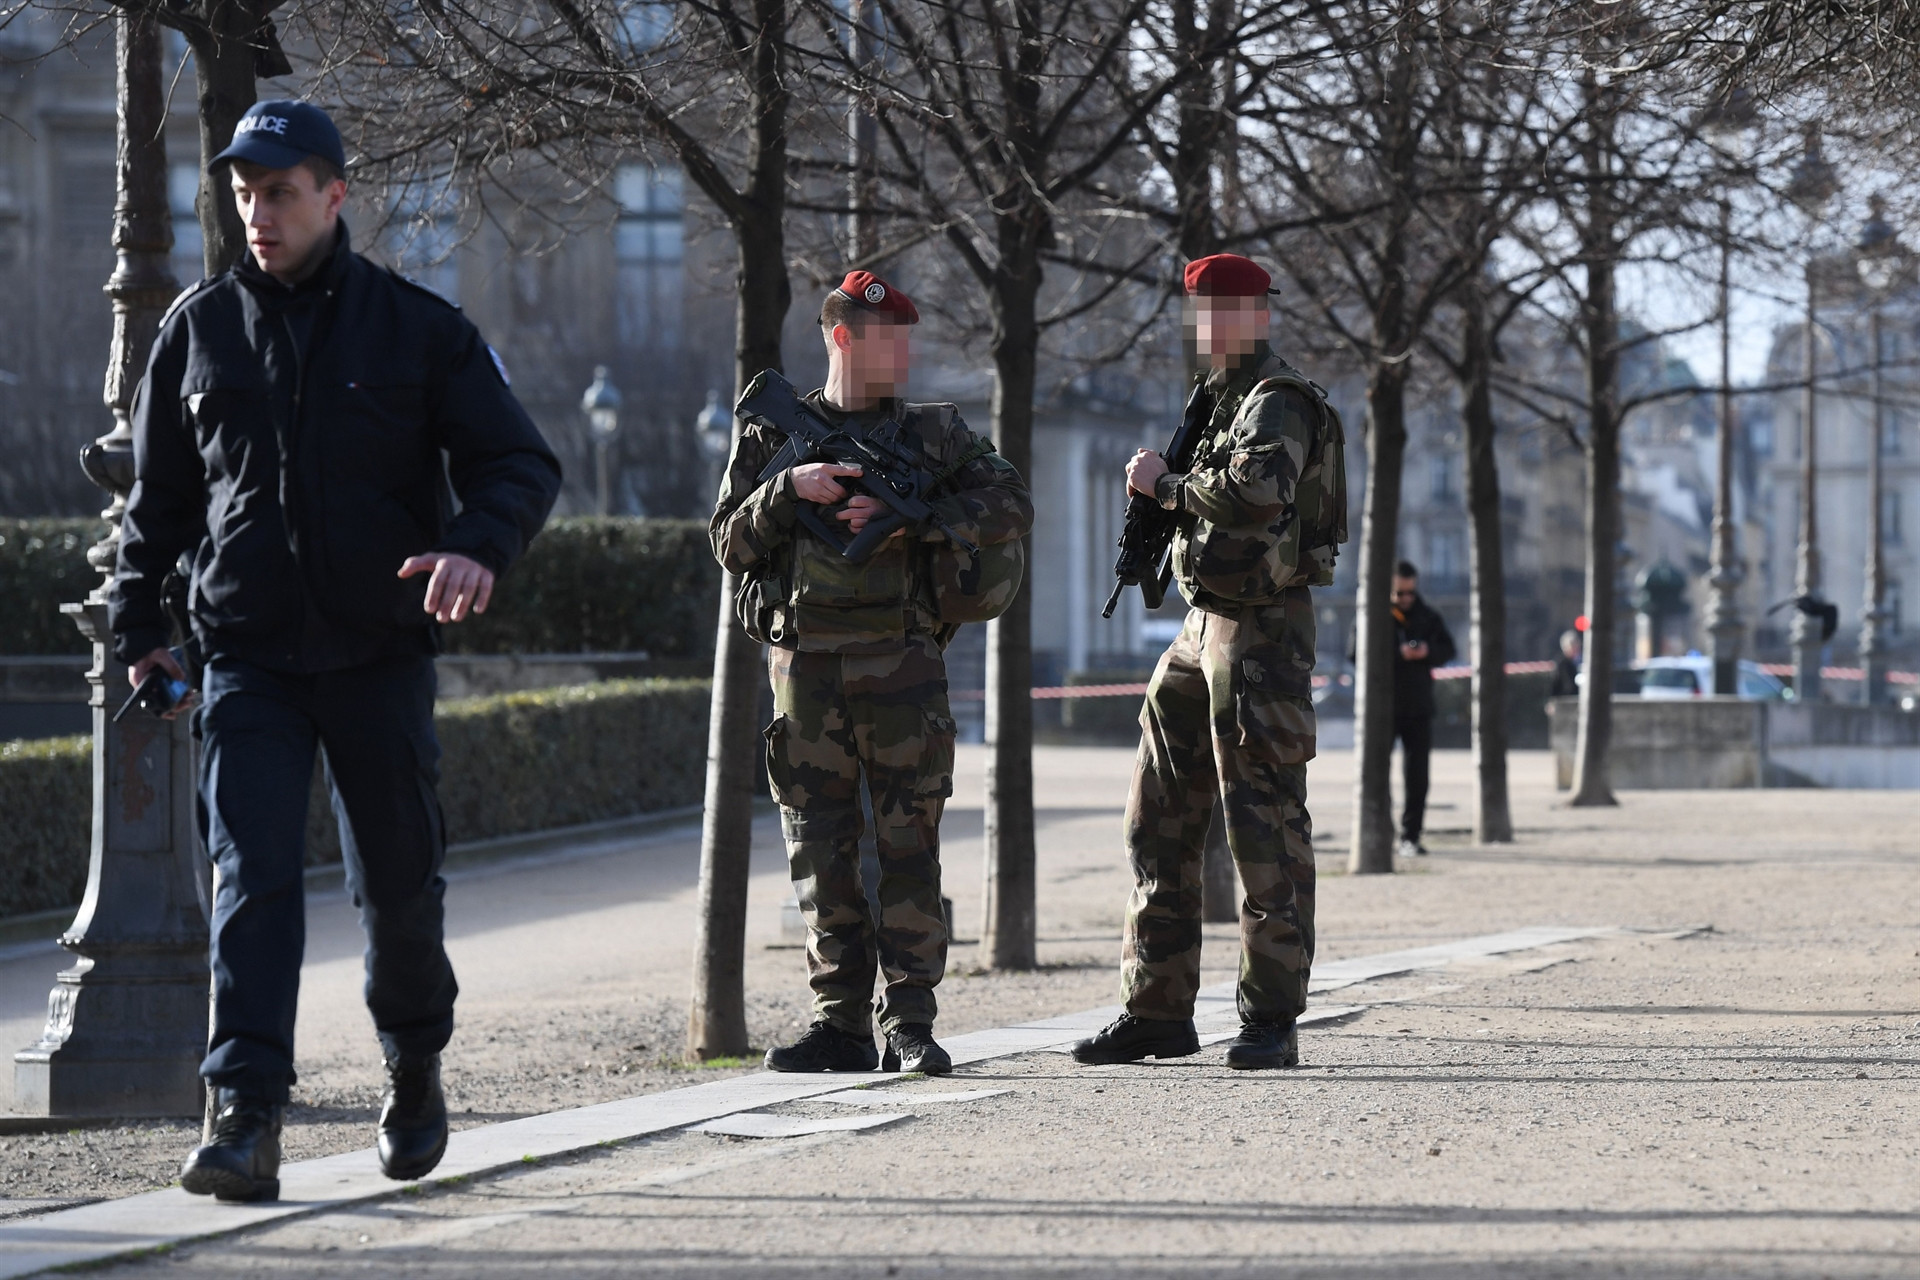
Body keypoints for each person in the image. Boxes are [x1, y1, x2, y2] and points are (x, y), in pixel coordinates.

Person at [110, 100, 561, 1202]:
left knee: (399, 889)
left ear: (334, 195)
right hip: (248, 661)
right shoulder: (200, 330)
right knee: (251, 883)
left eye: (279, 192)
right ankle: (246, 1114)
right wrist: (139, 631)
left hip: (376, 657)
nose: (256, 213)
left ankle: (413, 1065)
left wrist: (474, 548)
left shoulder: (418, 330)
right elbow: (156, 506)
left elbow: (520, 465)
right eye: (244, 192)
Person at [712, 271, 1032, 1075]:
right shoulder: (771, 436)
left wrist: (910, 524)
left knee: (908, 844)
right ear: (842, 336)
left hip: (902, 661)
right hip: (805, 670)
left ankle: (911, 1022)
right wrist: (791, 489)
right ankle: (841, 1025)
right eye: (890, 338)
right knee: (818, 848)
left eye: (909, 339)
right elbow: (727, 541)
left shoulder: (935, 432)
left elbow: (1012, 504)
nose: (907, 353)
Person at [1071, 253, 1346, 1072]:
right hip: (1202, 624)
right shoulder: (1219, 399)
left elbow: (1259, 492)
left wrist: (1165, 487)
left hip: (1263, 629)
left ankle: (1269, 1017)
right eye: (1200, 313)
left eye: (1223, 312)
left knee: (1262, 823)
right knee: (1156, 817)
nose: (1208, 328)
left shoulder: (1277, 401)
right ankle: (1156, 1010)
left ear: (1255, 315)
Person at [1388, 561, 1456, 857]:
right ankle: (1381, 830)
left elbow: (1449, 649)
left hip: (1418, 707)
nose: (1405, 598)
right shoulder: (1376, 616)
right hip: (1384, 707)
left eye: (1410, 593)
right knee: (1376, 774)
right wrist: (1397, 653)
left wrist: (1427, 651)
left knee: (1418, 777)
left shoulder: (1428, 616)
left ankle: (1410, 836)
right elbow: (1355, 652)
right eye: (1400, 593)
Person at [1550, 628, 1583, 698]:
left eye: (1575, 645)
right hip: (1567, 699)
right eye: (1571, 646)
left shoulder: (1584, 659)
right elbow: (1556, 685)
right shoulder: (1561, 664)